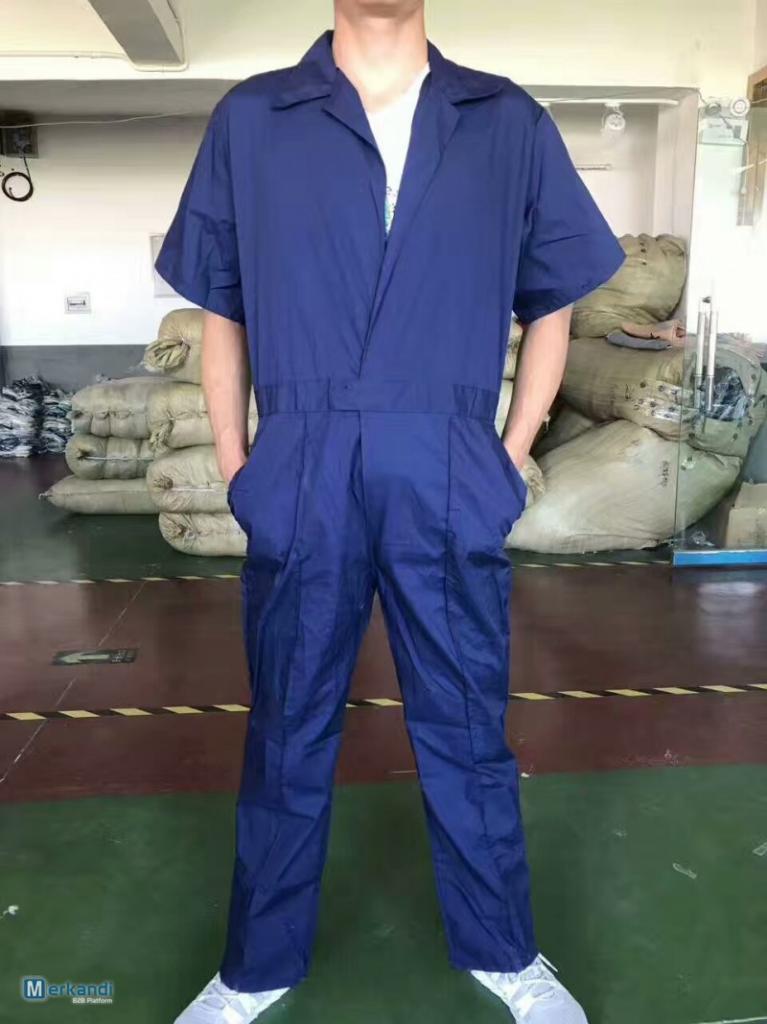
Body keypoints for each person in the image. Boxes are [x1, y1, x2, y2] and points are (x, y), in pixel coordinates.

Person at [156, 3, 625, 1022]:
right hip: (303, 457)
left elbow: (552, 301)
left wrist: (507, 453)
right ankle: (255, 967)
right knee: (287, 723)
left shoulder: (503, 121)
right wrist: (240, 462)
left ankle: (505, 952)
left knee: (466, 721)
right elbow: (220, 307)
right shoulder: (255, 119)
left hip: (445, 460)